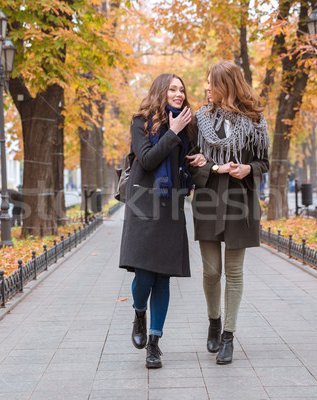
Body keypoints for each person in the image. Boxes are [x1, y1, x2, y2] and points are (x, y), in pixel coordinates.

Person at [187, 61, 270, 365]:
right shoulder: (198, 120)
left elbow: (264, 163)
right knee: (211, 271)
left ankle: (228, 337)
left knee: (234, 273)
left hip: (241, 203)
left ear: (227, 85)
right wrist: (214, 167)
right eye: (206, 83)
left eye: (211, 83)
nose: (206, 88)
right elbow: (189, 162)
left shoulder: (255, 121)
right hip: (208, 199)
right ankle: (213, 321)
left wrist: (247, 168)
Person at [119, 73, 194, 369]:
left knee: (163, 276)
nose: (179, 94)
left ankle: (154, 343)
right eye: (173, 89)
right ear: (161, 92)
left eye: (182, 90)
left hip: (171, 204)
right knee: (144, 275)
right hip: (143, 203)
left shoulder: (188, 124)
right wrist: (172, 131)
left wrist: (197, 161)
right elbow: (148, 159)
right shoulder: (141, 122)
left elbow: (190, 158)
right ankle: (139, 312)